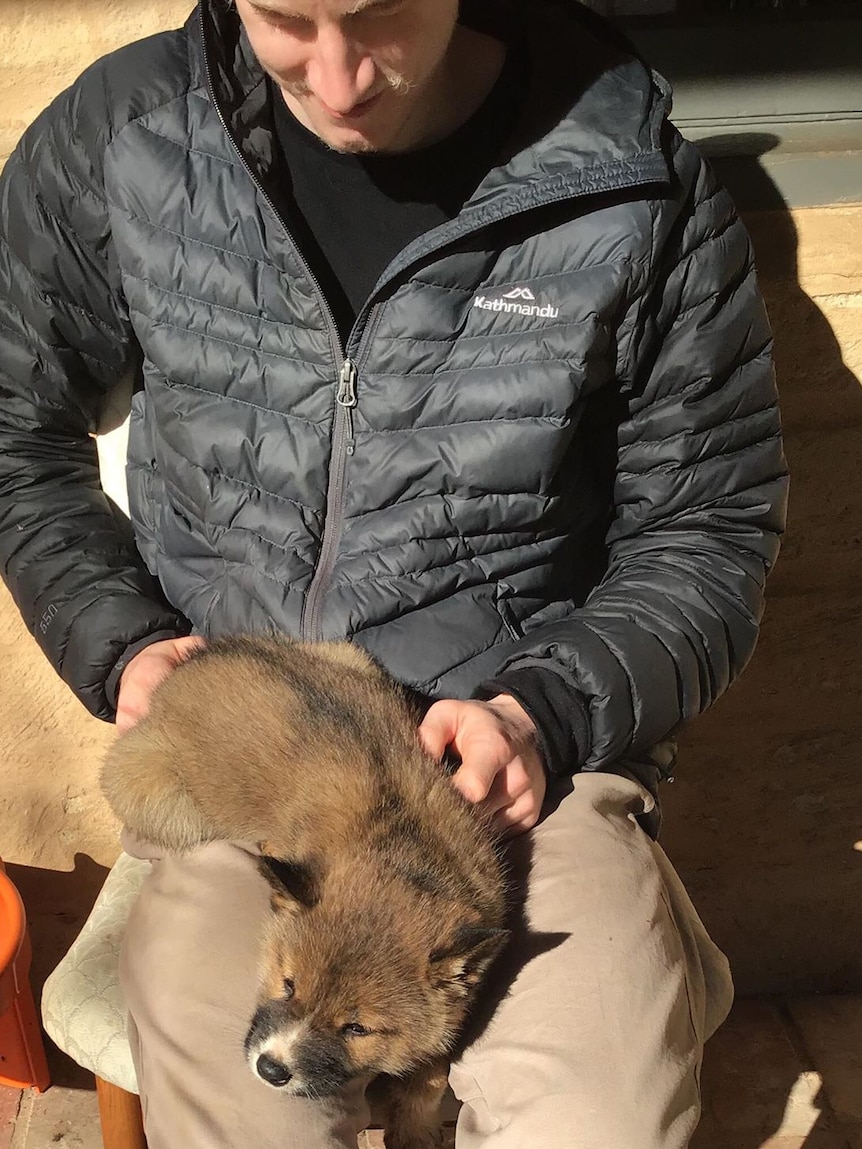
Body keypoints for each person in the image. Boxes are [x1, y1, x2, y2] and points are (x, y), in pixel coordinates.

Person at [0, 0, 788, 1145]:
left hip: (523, 781)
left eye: (378, 19)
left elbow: (710, 528)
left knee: (599, 1111)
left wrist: (549, 708)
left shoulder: (629, 173)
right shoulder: (121, 135)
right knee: (243, 1107)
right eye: (285, 18)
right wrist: (117, 639)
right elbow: (15, 425)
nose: (336, 79)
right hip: (261, 775)